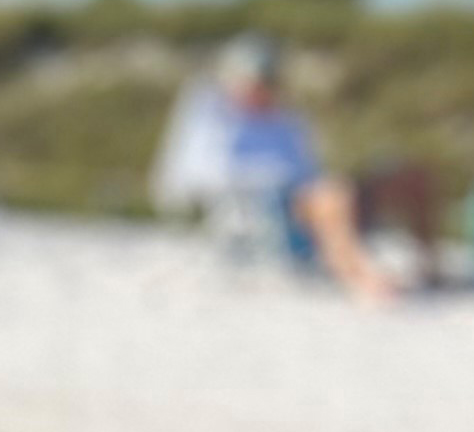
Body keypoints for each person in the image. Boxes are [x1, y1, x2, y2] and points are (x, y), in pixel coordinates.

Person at [151, 30, 432, 307]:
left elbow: (310, 168)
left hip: (309, 196)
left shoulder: (286, 119)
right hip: (269, 206)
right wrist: (283, 181)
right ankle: (361, 277)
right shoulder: (212, 118)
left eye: (268, 80)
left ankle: (428, 266)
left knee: (409, 177)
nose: (262, 88)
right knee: (330, 197)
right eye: (256, 80)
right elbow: (198, 175)